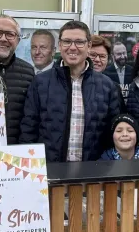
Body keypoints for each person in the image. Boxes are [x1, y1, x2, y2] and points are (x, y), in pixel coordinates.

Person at [20, 21, 122, 162]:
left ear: (89, 46)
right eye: (67, 41)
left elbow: (112, 134)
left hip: (92, 173)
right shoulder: (40, 83)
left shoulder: (106, 86)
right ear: (60, 45)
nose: (73, 48)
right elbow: (28, 131)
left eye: (79, 42)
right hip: (50, 171)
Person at [0, 15, 35, 145]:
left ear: (18, 40)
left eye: (10, 34)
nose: (3, 39)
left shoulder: (28, 72)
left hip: (15, 152)